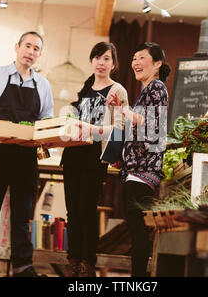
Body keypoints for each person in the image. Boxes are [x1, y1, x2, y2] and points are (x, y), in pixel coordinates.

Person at [0, 31, 54, 277]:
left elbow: (47, 118)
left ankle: (22, 266)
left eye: (36, 48)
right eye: (27, 46)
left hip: (25, 156)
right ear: (17, 47)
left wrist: (47, 133)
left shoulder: (43, 84)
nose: (31, 51)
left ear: (40, 55)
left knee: (22, 215)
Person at [60, 42, 128, 277]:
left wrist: (91, 129)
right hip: (72, 157)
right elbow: (74, 124)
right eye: (98, 57)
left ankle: (88, 263)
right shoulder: (85, 87)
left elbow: (119, 128)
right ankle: (73, 261)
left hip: (93, 158)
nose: (101, 62)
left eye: (106, 58)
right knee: (72, 212)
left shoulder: (117, 91)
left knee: (87, 211)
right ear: (91, 60)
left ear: (113, 64)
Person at [108, 42, 170, 277]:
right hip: (134, 169)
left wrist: (124, 110)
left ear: (157, 64)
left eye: (142, 58)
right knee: (136, 227)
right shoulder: (147, 90)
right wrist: (122, 156)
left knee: (138, 227)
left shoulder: (157, 87)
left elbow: (152, 127)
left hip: (144, 171)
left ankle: (139, 279)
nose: (135, 62)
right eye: (133, 58)